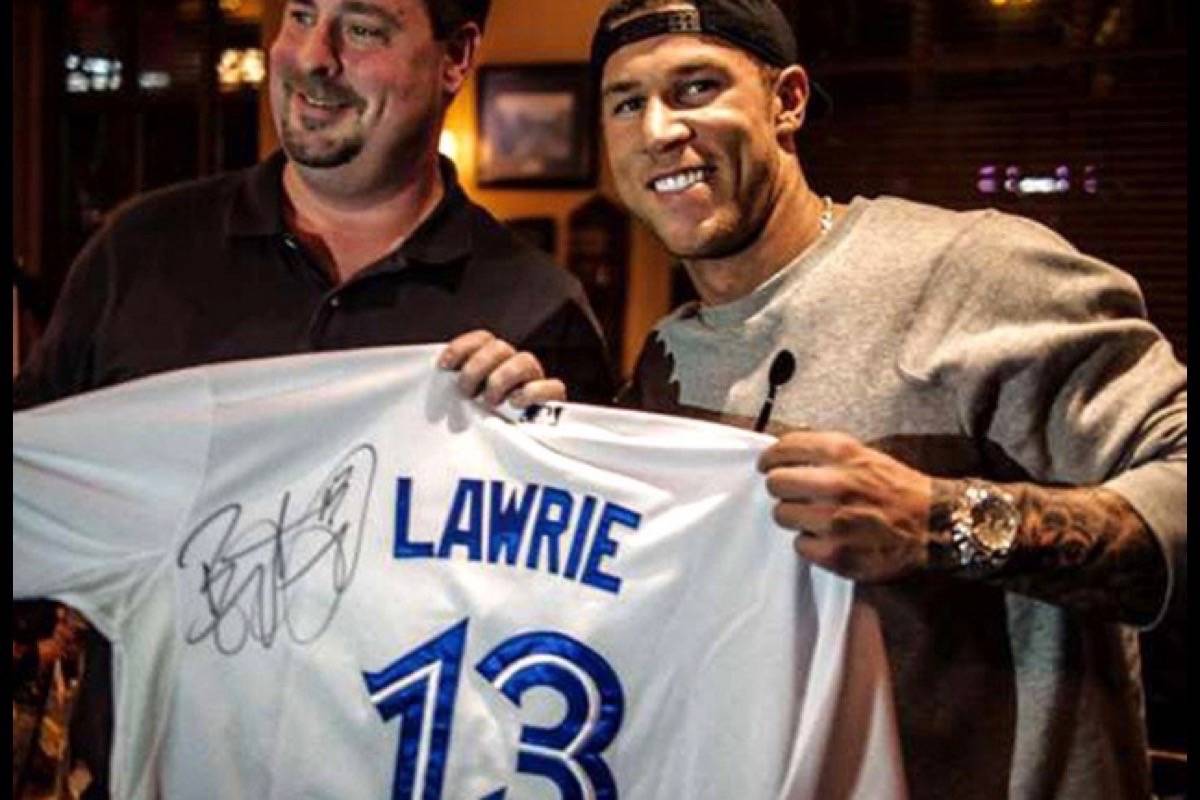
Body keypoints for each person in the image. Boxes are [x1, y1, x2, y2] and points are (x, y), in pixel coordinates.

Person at [546, 0, 1178, 797]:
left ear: (788, 102)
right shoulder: (665, 365)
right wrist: (511, 419)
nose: (660, 130)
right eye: (627, 102)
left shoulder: (971, 270)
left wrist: (941, 522)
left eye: (698, 87)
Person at [12, 0, 613, 794]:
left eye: (362, 28)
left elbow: (579, 627)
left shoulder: (539, 311)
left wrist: (538, 446)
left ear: (456, 58)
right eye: (300, 14)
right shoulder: (138, 255)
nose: (312, 56)